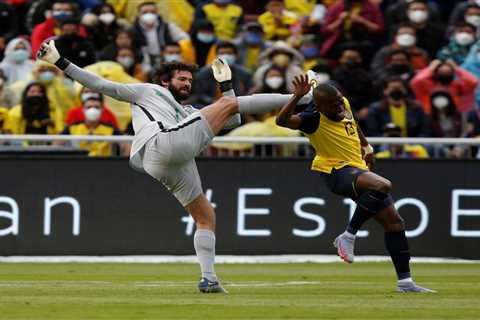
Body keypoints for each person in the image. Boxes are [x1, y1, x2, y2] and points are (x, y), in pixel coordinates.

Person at [37, 39, 314, 293]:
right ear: (165, 82)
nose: (187, 84)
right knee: (228, 105)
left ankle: (209, 278)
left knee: (205, 216)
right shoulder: (148, 91)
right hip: (161, 143)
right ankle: (306, 98)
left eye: (190, 80)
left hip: (167, 161)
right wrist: (61, 62)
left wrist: (227, 86)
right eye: (181, 79)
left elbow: (233, 120)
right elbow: (101, 85)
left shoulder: (188, 112)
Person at [275, 74, 435, 293]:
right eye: (333, 105)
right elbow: (281, 121)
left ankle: (405, 282)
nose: (340, 106)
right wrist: (296, 97)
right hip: (335, 170)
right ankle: (348, 236)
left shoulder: (341, 103)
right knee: (382, 185)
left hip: (356, 166)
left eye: (341, 100)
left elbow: (353, 122)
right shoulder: (312, 118)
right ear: (320, 107)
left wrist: (367, 147)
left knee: (395, 223)